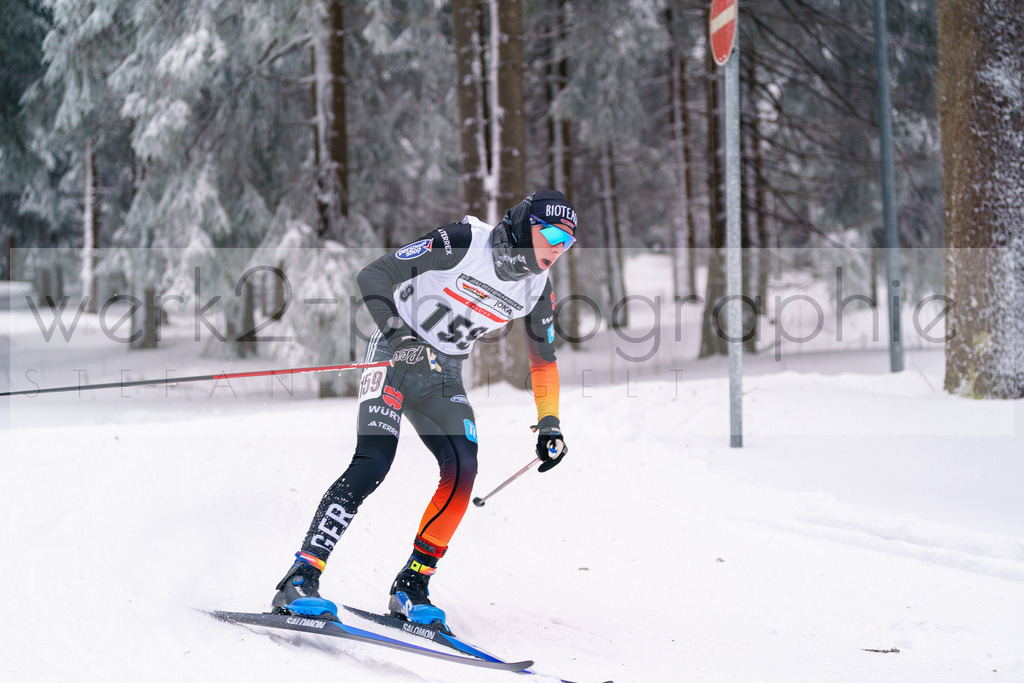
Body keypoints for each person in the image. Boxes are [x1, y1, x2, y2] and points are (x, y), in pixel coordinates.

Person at [271, 190, 577, 631]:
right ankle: (301, 577)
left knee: (463, 468)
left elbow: (543, 361)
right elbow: (374, 276)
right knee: (374, 461)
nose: (556, 248)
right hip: (395, 356)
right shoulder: (465, 242)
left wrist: (550, 422)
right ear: (523, 224)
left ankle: (412, 586)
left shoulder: (536, 289)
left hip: (442, 374)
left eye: (566, 243)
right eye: (549, 234)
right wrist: (400, 337)